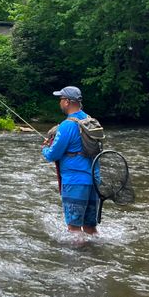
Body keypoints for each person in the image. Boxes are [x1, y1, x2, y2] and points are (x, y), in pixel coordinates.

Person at [42, 86, 99, 235]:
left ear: (67, 102)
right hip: (94, 182)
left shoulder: (66, 125)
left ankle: (76, 258)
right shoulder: (90, 121)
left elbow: (53, 155)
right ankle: (96, 255)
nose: (59, 102)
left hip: (75, 182)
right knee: (90, 228)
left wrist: (45, 149)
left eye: (60, 99)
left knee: (74, 229)